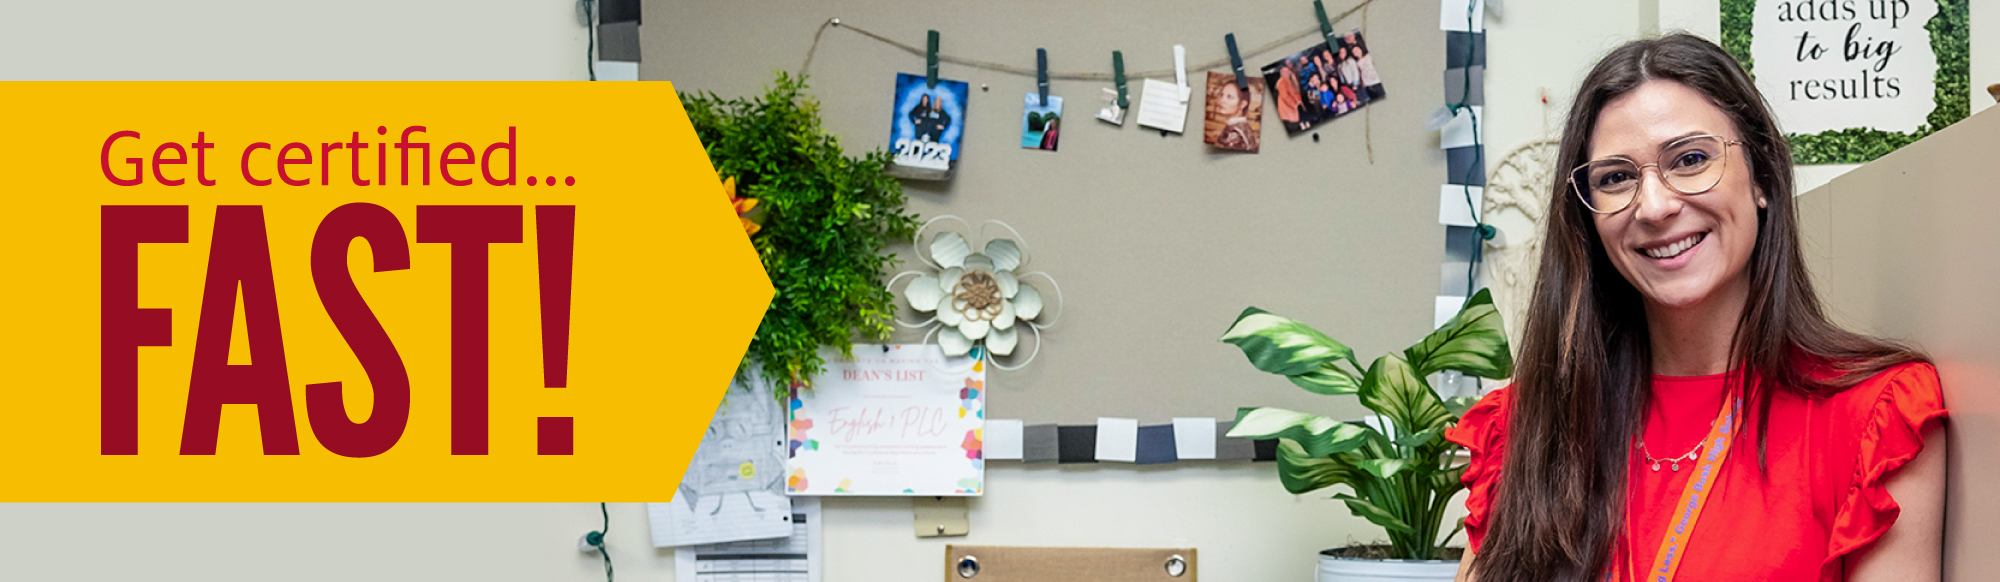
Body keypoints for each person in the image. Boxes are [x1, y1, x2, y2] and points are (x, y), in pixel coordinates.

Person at [1447, 34, 1947, 582]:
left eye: (1690, 159)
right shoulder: (1526, 426)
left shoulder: (1874, 421)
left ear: (1759, 176)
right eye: (1616, 178)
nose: (1655, 206)